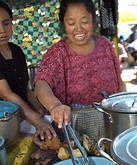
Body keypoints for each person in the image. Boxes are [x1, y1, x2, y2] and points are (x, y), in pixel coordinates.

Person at [34, 0, 126, 141]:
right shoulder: (57, 53)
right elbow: (41, 82)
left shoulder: (105, 45)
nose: (79, 28)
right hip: (73, 130)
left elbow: (119, 82)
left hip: (110, 125)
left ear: (93, 21)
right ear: (63, 25)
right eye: (71, 23)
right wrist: (55, 106)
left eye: (84, 21)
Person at [0, 1, 56, 141]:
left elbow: (25, 88)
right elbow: (7, 96)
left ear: (12, 24)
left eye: (6, 23)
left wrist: (39, 109)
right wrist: (38, 121)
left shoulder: (17, 51)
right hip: (4, 123)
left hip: (24, 117)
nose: (1, 29)